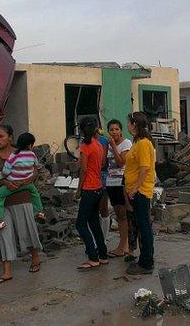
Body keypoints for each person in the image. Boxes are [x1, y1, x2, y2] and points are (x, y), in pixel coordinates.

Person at [0, 125, 42, 284]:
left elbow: (35, 171)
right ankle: (7, 271)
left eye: (1, 136)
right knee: (4, 233)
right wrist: (5, 182)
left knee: (26, 230)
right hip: (4, 201)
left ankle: (35, 258)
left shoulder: (22, 153)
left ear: (10, 137)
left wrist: (28, 180)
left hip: (22, 198)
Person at [0, 132, 43, 232]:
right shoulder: (32, 154)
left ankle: (0, 222)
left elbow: (5, 172)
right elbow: (37, 166)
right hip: (28, 184)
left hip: (12, 185)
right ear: (30, 145)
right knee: (35, 194)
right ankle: (39, 212)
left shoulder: (14, 156)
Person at [75, 116, 108, 270]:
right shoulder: (98, 144)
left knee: (80, 224)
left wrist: (78, 190)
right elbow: (101, 164)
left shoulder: (85, 146)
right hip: (99, 187)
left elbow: (83, 169)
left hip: (88, 188)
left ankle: (93, 257)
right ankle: (102, 255)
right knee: (94, 223)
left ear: (81, 130)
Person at [124, 112, 156, 275]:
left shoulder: (143, 143)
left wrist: (135, 188)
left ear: (134, 124)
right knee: (143, 225)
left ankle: (146, 263)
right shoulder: (139, 142)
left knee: (144, 226)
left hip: (141, 191)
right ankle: (145, 259)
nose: (127, 126)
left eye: (129, 123)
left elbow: (145, 168)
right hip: (137, 190)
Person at [104, 119, 133, 258]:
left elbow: (121, 162)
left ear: (121, 130)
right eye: (111, 130)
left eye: (116, 129)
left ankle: (123, 246)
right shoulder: (108, 145)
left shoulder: (126, 143)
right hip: (110, 183)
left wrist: (114, 146)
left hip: (122, 182)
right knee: (119, 215)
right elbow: (106, 163)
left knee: (123, 215)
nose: (114, 132)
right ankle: (124, 245)